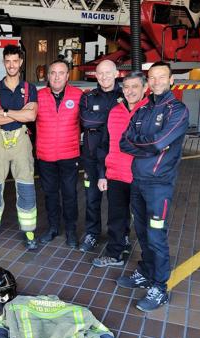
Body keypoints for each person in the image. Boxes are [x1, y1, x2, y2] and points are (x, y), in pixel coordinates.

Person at [117, 62, 189, 312]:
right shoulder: (143, 109)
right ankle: (146, 273)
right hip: (138, 182)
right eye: (152, 77)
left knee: (157, 236)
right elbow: (123, 142)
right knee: (142, 232)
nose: (157, 81)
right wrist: (148, 144)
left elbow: (160, 142)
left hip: (159, 186)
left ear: (171, 80)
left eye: (162, 77)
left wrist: (147, 143)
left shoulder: (177, 110)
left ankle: (159, 287)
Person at [0, 45, 39, 250]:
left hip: (22, 140)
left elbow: (31, 116)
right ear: (4, 62)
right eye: (8, 61)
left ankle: (29, 230)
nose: (11, 65)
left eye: (15, 61)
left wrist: (3, 111)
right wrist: (17, 113)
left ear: (21, 62)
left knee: (26, 184)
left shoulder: (30, 88)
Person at [92, 71, 149, 268]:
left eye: (135, 87)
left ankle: (148, 263)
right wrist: (102, 174)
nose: (130, 91)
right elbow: (105, 144)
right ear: (121, 89)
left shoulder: (149, 111)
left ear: (145, 88)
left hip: (140, 176)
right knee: (116, 218)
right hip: (116, 174)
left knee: (143, 222)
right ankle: (116, 252)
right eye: (126, 87)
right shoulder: (115, 111)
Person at [35, 60, 83, 248]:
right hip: (45, 155)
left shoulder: (78, 95)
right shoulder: (38, 96)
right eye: (53, 73)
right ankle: (53, 227)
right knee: (50, 194)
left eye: (61, 73)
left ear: (67, 76)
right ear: (47, 76)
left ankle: (71, 231)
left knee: (70, 194)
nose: (56, 77)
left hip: (69, 155)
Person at [78, 60, 124, 252]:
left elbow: (130, 120)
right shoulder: (88, 97)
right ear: (95, 76)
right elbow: (86, 121)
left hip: (118, 157)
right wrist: (113, 118)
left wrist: (100, 121)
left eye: (108, 73)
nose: (104, 77)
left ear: (116, 74)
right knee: (92, 198)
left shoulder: (125, 95)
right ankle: (92, 234)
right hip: (91, 158)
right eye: (100, 73)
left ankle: (120, 237)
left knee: (119, 202)